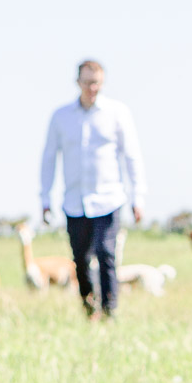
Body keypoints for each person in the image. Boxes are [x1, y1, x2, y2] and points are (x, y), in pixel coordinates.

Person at [40, 60, 146, 319]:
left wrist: (138, 196)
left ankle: (111, 310)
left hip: (109, 198)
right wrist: (45, 198)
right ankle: (90, 308)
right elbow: (49, 158)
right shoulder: (61, 117)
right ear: (78, 82)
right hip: (75, 201)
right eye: (88, 82)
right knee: (80, 259)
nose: (92, 88)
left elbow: (132, 155)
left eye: (97, 82)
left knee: (106, 253)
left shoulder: (117, 112)